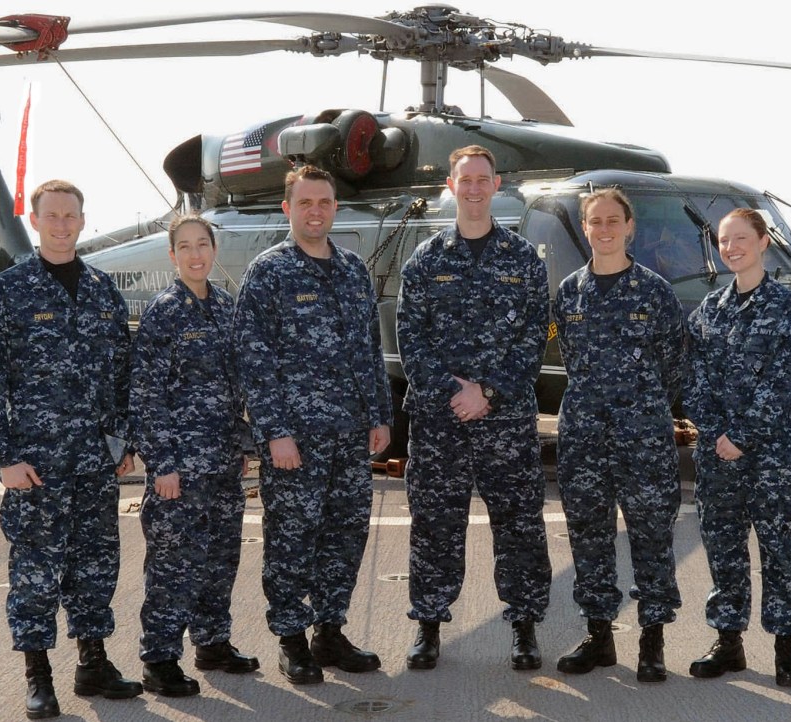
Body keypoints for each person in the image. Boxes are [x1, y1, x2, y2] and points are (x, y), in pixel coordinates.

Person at [0, 180, 143, 720]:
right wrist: (2, 456)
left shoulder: (102, 291)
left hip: (94, 462)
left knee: (96, 566)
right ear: (37, 220)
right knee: (36, 573)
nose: (62, 225)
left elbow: (122, 373)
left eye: (71, 215)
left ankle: (93, 663)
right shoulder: (8, 291)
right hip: (35, 466)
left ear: (83, 221)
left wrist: (122, 441)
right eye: (53, 216)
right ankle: (37, 676)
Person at [234, 165, 392, 685]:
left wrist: (379, 415)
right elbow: (253, 359)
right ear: (288, 209)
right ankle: (291, 637)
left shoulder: (351, 269)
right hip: (295, 440)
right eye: (305, 203)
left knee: (345, 535)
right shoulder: (269, 272)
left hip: (350, 434)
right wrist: (274, 431)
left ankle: (329, 630)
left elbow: (371, 350)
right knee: (291, 537)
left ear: (334, 208)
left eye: (324, 202)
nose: (316, 211)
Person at [396, 145, 551, 671]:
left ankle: (525, 626)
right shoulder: (425, 260)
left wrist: (487, 392)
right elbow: (410, 338)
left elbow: (535, 338)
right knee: (436, 525)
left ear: (497, 185)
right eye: (466, 180)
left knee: (519, 525)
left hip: (505, 421)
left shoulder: (523, 260)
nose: (475, 189)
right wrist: (452, 391)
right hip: (441, 423)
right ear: (451, 186)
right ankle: (429, 625)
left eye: (484, 180)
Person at [552, 188, 683, 681]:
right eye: (594, 222)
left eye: (613, 221)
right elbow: (569, 358)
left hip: (643, 438)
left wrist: (640, 408)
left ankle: (653, 639)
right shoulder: (570, 293)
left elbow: (674, 366)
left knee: (651, 536)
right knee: (589, 537)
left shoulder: (655, 293)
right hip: (583, 437)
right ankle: (599, 636)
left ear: (630, 227)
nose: (604, 230)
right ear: (585, 228)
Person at [129, 215, 259, 696]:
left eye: (202, 244)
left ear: (213, 249)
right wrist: (161, 463)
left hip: (222, 463)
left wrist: (240, 445)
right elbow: (146, 395)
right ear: (173, 256)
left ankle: (212, 642)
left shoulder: (225, 307)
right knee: (172, 564)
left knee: (221, 559)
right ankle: (160, 658)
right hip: (179, 469)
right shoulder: (165, 312)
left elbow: (233, 388)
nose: (195, 254)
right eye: (184, 247)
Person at [684, 208, 791, 687]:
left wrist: (742, 436)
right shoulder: (709, 311)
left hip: (771, 455)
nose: (731, 247)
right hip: (717, 457)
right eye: (723, 240)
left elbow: (785, 382)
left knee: (779, 550)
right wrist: (717, 433)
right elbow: (692, 381)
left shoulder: (786, 308)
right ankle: (728, 641)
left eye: (740, 239)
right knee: (724, 550)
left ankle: (785, 647)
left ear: (762, 242)